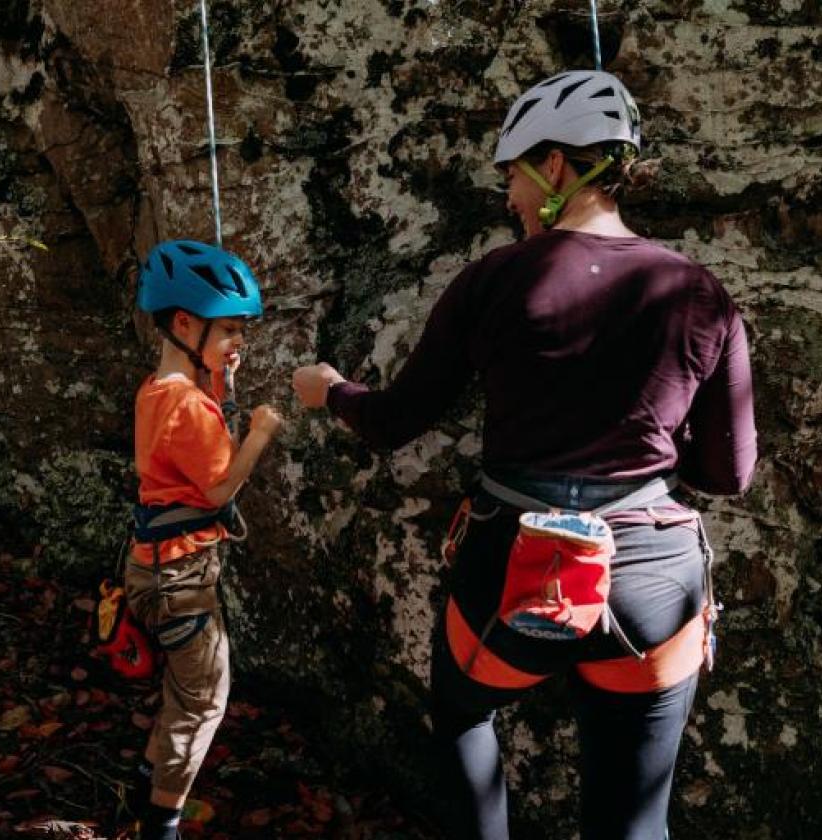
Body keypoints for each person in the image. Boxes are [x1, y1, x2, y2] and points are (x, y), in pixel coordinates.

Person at [291, 69, 756, 839]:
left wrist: (332, 390)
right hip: (650, 579)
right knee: (634, 823)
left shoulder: (495, 280)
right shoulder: (699, 294)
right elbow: (729, 473)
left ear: (559, 166)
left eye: (513, 173)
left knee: (464, 717)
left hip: (513, 569)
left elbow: (393, 421)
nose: (508, 196)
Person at [128, 239, 283, 840]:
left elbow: (192, 446)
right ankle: (161, 821)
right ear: (185, 324)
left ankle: (150, 782)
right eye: (228, 333)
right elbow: (218, 488)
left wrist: (219, 380)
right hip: (181, 578)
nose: (237, 344)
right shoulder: (186, 404)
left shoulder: (160, 390)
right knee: (203, 702)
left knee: (184, 688)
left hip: (159, 568)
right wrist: (262, 431)